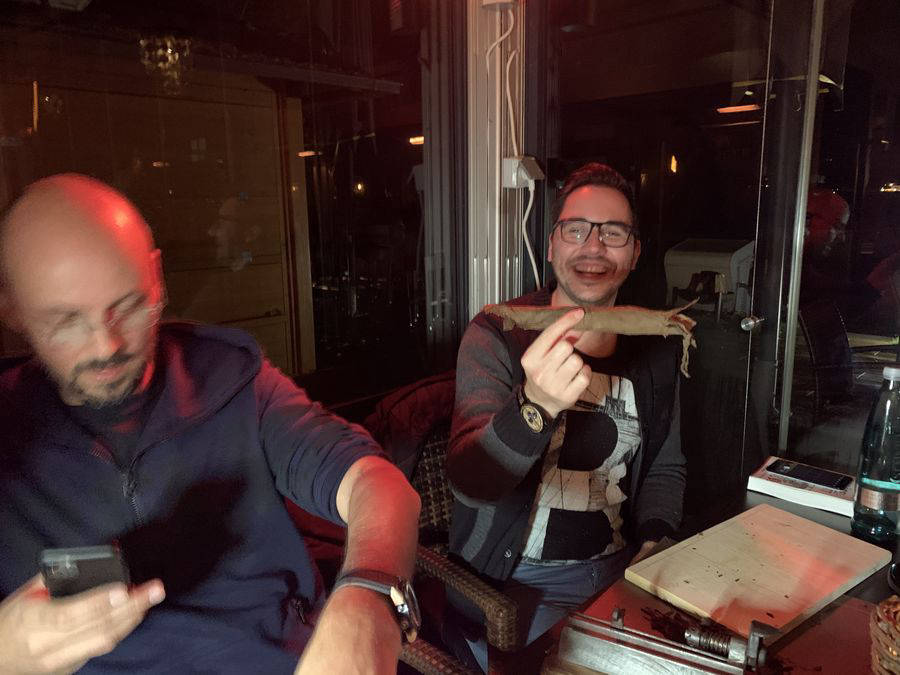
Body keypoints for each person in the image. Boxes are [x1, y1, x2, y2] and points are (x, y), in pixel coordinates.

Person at [0, 174, 421, 674]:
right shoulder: (11, 441)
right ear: (13, 310)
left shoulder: (230, 376)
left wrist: (367, 598)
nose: (106, 345)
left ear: (157, 277)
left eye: (128, 306)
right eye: (66, 322)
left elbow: (376, 481)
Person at [446, 163, 686, 670]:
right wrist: (534, 407)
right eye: (576, 229)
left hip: (621, 576)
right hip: (514, 589)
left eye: (614, 232)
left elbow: (666, 467)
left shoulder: (656, 347)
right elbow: (471, 481)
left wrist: (655, 542)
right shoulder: (497, 333)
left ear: (635, 253)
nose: (593, 246)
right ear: (552, 246)